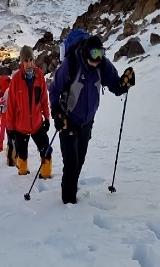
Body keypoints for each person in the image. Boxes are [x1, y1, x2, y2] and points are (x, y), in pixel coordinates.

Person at [49, 34, 135, 204]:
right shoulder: (71, 63)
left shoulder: (102, 65)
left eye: (101, 54)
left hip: (87, 123)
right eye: (94, 55)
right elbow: (54, 90)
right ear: (86, 52)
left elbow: (115, 86)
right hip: (67, 120)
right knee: (71, 162)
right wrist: (56, 112)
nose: (97, 59)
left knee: (79, 160)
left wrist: (124, 84)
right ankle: (67, 204)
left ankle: (69, 187)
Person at [6, 45, 51, 177]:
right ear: (22, 62)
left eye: (31, 60)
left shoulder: (39, 76)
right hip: (20, 127)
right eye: (26, 60)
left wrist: (47, 118)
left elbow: (44, 99)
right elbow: (11, 106)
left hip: (37, 124)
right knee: (22, 154)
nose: (29, 63)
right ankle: (22, 174)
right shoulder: (16, 80)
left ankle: (46, 175)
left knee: (46, 150)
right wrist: (10, 127)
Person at [0, 74, 16, 166]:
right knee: (8, 133)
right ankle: (6, 148)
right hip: (5, 116)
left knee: (2, 133)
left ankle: (1, 147)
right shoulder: (9, 91)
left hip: (3, 117)